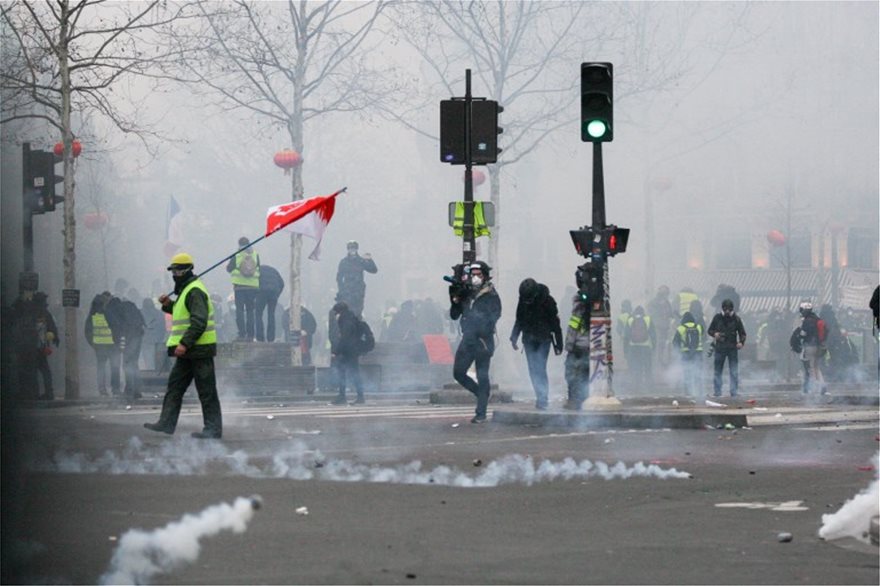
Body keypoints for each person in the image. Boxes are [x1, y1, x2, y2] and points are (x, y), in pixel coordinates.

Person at [144, 253, 223, 439]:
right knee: (175, 387)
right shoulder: (187, 290)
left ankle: (213, 429)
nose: (176, 274)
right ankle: (166, 423)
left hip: (199, 351)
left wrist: (184, 343)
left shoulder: (194, 291)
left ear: (188, 270)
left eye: (179, 270)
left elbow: (199, 321)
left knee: (206, 391)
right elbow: (182, 314)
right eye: (174, 270)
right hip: (189, 352)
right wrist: (167, 305)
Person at [449, 261, 501, 423]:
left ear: (485, 276)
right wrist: (456, 299)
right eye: (473, 275)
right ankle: (481, 394)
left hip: (482, 341)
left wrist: (480, 327)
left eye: (479, 275)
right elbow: (454, 315)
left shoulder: (491, 294)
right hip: (468, 339)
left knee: (482, 374)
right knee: (458, 372)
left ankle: (481, 412)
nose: (476, 278)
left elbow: (494, 316)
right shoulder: (467, 293)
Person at [509, 278, 562, 410]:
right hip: (528, 339)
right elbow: (519, 319)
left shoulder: (548, 301)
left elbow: (555, 323)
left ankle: (543, 398)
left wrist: (559, 343)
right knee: (533, 369)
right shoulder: (523, 300)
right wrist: (514, 337)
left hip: (543, 338)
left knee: (540, 368)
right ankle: (540, 396)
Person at [106, 295, 146, 400]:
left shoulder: (112, 310)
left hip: (129, 336)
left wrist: (119, 344)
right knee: (133, 363)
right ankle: (137, 390)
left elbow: (116, 328)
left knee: (127, 363)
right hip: (138, 335)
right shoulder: (130, 306)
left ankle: (129, 390)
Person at [707, 299, 747, 397]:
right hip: (720, 347)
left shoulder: (736, 319)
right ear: (723, 308)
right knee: (718, 371)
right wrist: (715, 334)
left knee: (733, 370)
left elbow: (742, 333)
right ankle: (717, 391)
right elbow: (710, 330)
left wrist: (741, 342)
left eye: (729, 309)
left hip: (732, 348)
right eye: (726, 309)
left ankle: (733, 391)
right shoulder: (717, 318)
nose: (727, 311)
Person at [328, 301, 366, 405]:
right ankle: (353, 396)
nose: (335, 316)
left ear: (339, 312)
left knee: (348, 374)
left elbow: (344, 338)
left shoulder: (345, 320)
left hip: (348, 352)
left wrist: (336, 352)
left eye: (336, 313)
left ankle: (349, 397)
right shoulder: (351, 317)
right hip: (352, 351)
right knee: (351, 374)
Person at [85, 293, 120, 396]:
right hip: (111, 345)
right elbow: (115, 327)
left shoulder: (91, 316)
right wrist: (116, 341)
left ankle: (102, 389)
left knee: (101, 368)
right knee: (114, 366)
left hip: (99, 346)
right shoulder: (107, 313)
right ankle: (115, 389)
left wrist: (93, 343)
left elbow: (87, 331)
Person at [226, 236, 260, 341]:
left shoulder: (237, 255)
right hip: (253, 287)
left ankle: (241, 334)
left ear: (239, 244)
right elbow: (258, 267)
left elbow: (229, 269)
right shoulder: (255, 254)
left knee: (240, 311)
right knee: (250, 311)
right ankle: (251, 335)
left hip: (240, 288)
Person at [563, 292, 591, 410]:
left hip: (577, 348)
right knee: (585, 375)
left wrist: (568, 346)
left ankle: (573, 401)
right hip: (590, 348)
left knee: (571, 375)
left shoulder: (578, 311)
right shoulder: (595, 311)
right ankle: (585, 399)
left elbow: (572, 330)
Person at [791, 301, 826, 395]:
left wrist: (798, 334)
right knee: (816, 367)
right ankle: (822, 384)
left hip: (810, 346)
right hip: (819, 346)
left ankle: (817, 387)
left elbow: (804, 334)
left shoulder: (807, 321)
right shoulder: (816, 319)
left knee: (811, 368)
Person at [336, 240, 378, 317]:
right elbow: (339, 278)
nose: (352, 250)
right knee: (347, 312)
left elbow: (373, 270)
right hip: (347, 291)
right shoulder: (344, 262)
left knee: (358, 312)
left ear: (357, 249)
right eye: (350, 248)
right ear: (348, 249)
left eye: (354, 248)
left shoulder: (361, 261)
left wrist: (370, 260)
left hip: (358, 291)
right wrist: (341, 290)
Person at [672, 311, 703, 397]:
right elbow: (704, 338)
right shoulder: (699, 327)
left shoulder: (680, 328)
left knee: (687, 373)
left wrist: (678, 353)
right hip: (698, 352)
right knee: (698, 373)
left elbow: (675, 342)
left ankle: (688, 392)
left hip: (685, 353)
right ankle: (699, 391)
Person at [625, 305, 655, 388]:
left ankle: (637, 384)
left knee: (636, 365)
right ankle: (648, 385)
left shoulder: (630, 320)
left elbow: (626, 336)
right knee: (647, 366)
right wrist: (654, 347)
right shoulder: (648, 319)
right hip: (646, 347)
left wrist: (626, 350)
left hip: (633, 347)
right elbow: (653, 334)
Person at [647, 285, 675, 367]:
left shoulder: (666, 302)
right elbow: (651, 312)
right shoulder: (654, 302)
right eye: (665, 293)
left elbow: (670, 313)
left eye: (666, 293)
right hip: (657, 326)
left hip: (665, 326)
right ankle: (656, 360)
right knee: (658, 343)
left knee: (662, 344)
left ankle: (661, 360)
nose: (666, 295)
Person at [255, 264, 284, 342]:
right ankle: (271, 338)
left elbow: (252, 283)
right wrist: (277, 294)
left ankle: (260, 338)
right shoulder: (274, 270)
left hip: (262, 292)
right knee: (271, 314)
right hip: (274, 292)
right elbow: (282, 283)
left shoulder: (256, 270)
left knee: (258, 314)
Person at [140, 298, 165, 370]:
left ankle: (150, 376)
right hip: (157, 341)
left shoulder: (141, 313)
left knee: (149, 362)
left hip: (146, 341)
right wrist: (160, 339)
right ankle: (157, 376)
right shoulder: (160, 314)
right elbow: (163, 328)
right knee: (157, 361)